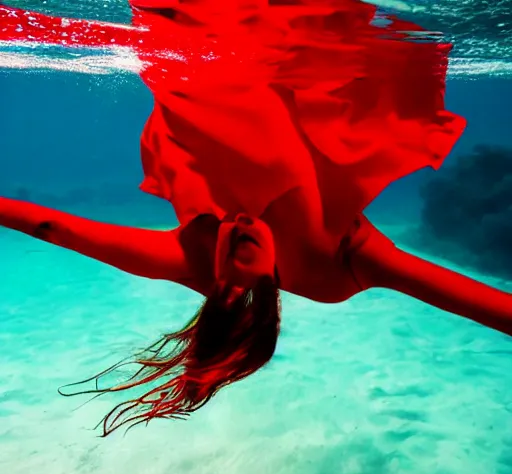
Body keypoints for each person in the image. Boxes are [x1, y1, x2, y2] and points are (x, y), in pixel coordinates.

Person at [1, 0, 510, 437]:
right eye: (250, 242)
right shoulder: (336, 270)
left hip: (189, 67)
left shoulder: (191, 258)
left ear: (216, 281)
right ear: (268, 284)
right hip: (284, 65)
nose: (238, 222)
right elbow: (470, 301)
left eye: (229, 242)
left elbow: (56, 230)